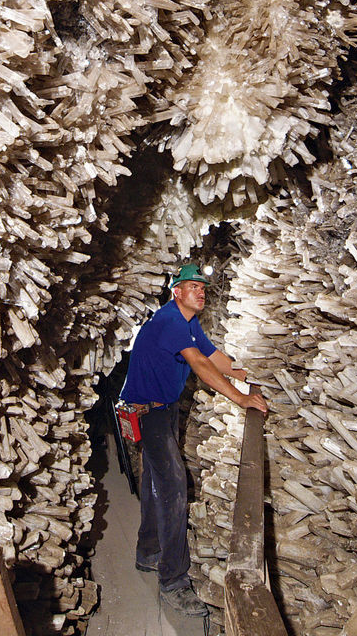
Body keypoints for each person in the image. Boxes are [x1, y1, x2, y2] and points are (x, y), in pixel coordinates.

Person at [118, 263, 269, 617]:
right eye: (192, 286)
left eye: (202, 287)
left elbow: (214, 356)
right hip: (148, 412)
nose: (201, 291)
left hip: (163, 409)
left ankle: (148, 552)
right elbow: (200, 365)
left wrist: (241, 372)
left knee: (156, 481)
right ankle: (173, 580)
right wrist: (242, 398)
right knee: (173, 487)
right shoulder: (170, 321)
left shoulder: (188, 323)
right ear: (177, 293)